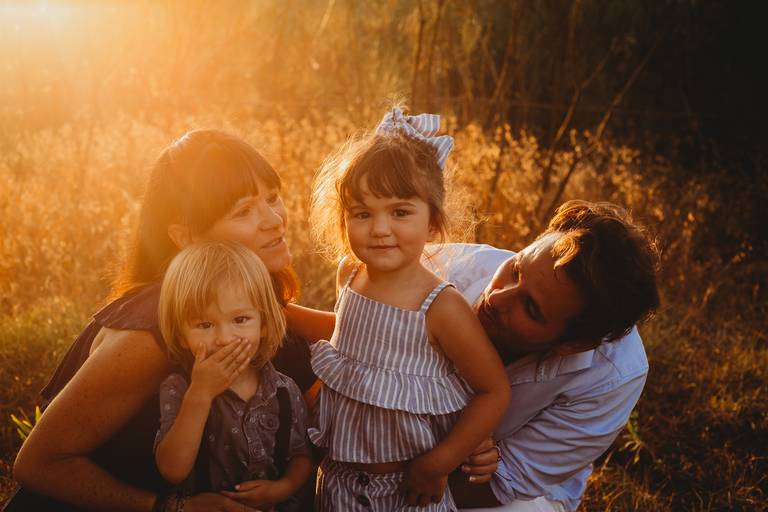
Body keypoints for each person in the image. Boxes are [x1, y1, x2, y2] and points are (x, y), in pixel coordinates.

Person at [11, 130, 317, 512]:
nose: (274, 220)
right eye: (243, 211)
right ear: (185, 237)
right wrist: (171, 508)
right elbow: (37, 464)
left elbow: (337, 333)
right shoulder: (154, 328)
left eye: (273, 198)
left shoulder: (240, 303)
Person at [288, 200, 660, 512]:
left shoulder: (612, 376)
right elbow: (361, 337)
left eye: (530, 309)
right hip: (393, 447)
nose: (497, 297)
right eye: (516, 270)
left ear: (571, 345)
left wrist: (404, 481)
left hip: (500, 488)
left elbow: (505, 481)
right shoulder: (453, 268)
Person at [306, 107, 511, 511]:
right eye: (362, 214)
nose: (380, 229)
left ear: (432, 223)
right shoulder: (350, 274)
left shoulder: (440, 306)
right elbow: (349, 360)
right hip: (337, 482)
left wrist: (440, 462)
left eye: (400, 212)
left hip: (409, 489)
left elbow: (494, 391)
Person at [154, 241, 312, 511]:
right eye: (205, 325)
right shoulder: (179, 388)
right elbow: (173, 470)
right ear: (181, 335)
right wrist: (200, 394)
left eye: (240, 320)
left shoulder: (284, 389)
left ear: (263, 324)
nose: (225, 339)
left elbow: (301, 455)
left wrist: (282, 488)